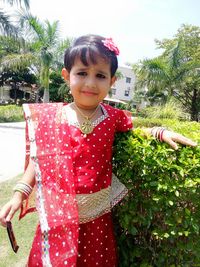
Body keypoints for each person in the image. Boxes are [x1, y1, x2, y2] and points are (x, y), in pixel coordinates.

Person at [0, 34, 197, 267]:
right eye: (82, 73)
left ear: (112, 81)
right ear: (67, 75)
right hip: (58, 218)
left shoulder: (113, 118)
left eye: (100, 75)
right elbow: (39, 159)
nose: (91, 83)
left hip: (98, 221)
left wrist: (161, 133)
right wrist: (18, 195)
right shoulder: (51, 117)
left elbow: (138, 132)